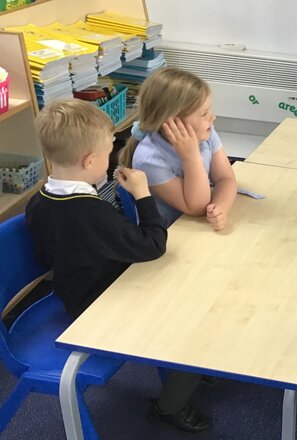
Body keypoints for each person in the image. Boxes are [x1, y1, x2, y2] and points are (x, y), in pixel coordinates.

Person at [26, 99, 211, 433]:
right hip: (98, 306)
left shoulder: (39, 200)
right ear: (89, 161)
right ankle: (170, 406)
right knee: (193, 317)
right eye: (109, 151)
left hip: (74, 291)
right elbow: (153, 244)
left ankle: (193, 372)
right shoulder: (89, 212)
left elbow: (47, 254)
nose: (111, 157)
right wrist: (142, 195)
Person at [118, 66, 237, 230]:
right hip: (172, 234)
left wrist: (220, 207)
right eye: (204, 114)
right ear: (173, 122)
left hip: (199, 226)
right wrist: (191, 157)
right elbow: (197, 207)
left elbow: (225, 178)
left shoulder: (205, 131)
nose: (212, 117)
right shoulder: (149, 160)